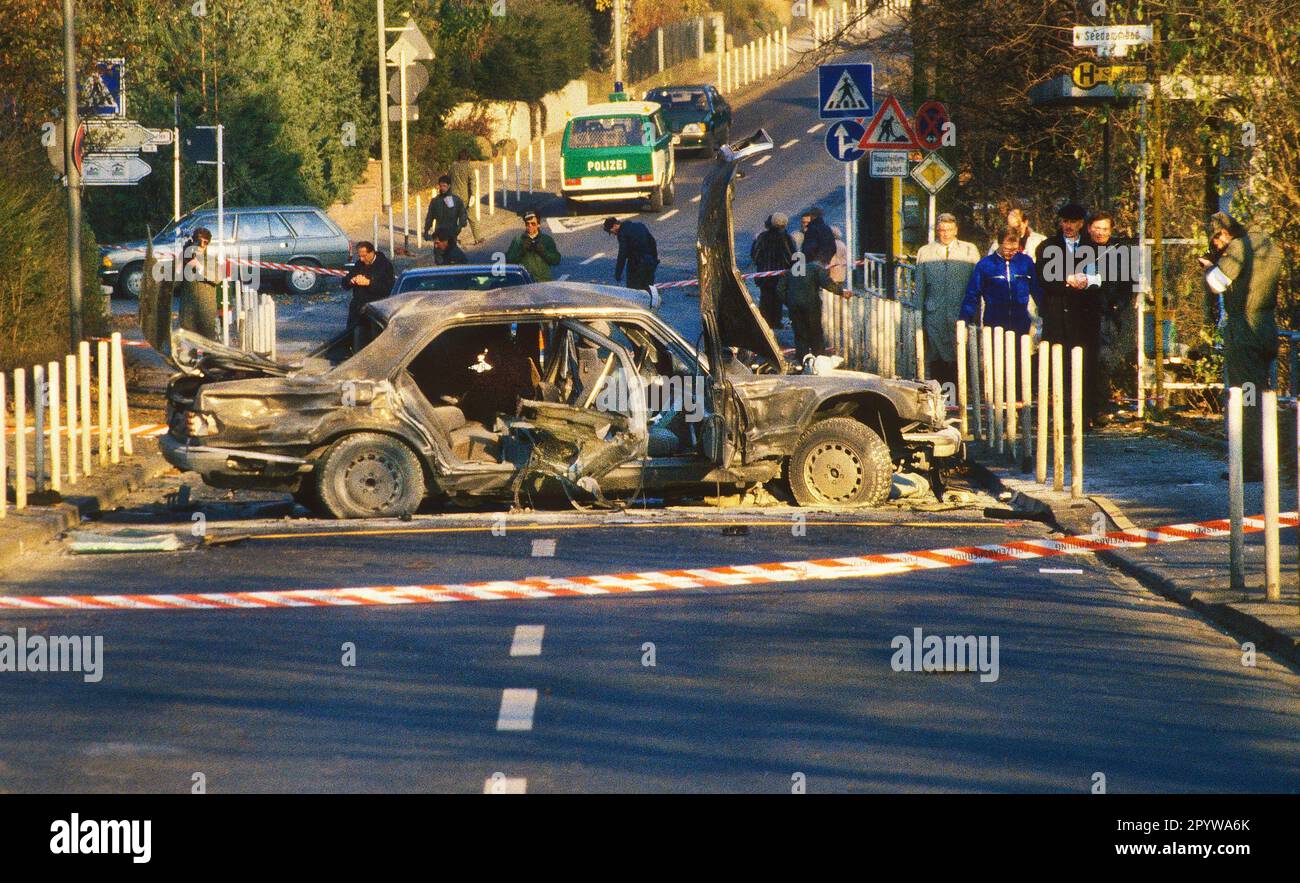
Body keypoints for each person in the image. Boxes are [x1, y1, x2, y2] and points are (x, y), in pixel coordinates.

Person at [1200, 211, 1284, 479]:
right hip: (1266, 329)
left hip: (1244, 333)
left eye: (1216, 239)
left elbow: (1217, 284)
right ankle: (1267, 460)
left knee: (1246, 399)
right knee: (1261, 398)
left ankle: (1250, 466)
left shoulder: (1238, 246)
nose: (1216, 245)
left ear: (1224, 233)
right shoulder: (1269, 246)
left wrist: (1210, 267)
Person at [1036, 203, 1092, 422]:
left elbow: (1098, 277)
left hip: (1082, 315)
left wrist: (1086, 281)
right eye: (1065, 221)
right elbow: (1044, 277)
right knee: (1057, 364)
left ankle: (1082, 414)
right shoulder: (1046, 246)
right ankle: (1058, 413)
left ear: (1081, 224)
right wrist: (1067, 281)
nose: (1068, 226)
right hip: (1057, 313)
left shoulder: (1091, 246)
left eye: (1073, 222)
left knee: (1082, 365)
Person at [1082, 211, 1135, 425]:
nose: (1101, 232)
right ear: (1089, 228)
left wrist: (1117, 306)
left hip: (1109, 315)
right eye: (1097, 228)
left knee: (1103, 361)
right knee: (1083, 361)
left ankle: (1100, 409)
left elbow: (1127, 285)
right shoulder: (1079, 249)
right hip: (1084, 313)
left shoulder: (1119, 251)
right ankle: (1083, 411)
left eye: (1105, 229)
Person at [915, 213, 981, 385]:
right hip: (934, 315)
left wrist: (976, 314)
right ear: (937, 230)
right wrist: (918, 317)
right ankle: (943, 401)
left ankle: (960, 400)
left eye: (949, 230)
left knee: (960, 356)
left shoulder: (969, 250)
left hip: (961, 314)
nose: (945, 234)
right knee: (937, 360)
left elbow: (977, 284)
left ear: (956, 230)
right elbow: (920, 289)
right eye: (942, 230)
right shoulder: (925, 252)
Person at [960, 225, 1041, 337]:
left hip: (1021, 322)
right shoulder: (985, 265)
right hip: (994, 322)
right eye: (1007, 249)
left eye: (1015, 249)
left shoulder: (1026, 262)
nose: (1011, 253)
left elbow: (1037, 290)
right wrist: (965, 320)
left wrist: (1046, 314)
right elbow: (972, 295)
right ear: (999, 243)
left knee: (1020, 354)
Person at [776, 255, 849, 360]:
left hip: (795, 307)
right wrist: (841, 292)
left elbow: (779, 289)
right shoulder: (815, 268)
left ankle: (802, 360)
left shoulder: (789, 272)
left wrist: (789, 302)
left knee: (800, 334)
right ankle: (819, 358)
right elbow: (827, 283)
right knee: (816, 333)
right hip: (812, 306)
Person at [749, 213, 796, 330]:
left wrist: (761, 265)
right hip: (781, 276)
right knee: (778, 300)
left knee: (765, 299)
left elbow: (755, 255)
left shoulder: (762, 237)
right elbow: (792, 256)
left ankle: (765, 323)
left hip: (764, 275)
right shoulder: (787, 238)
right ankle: (776, 321)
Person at [177, 227, 219, 340]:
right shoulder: (185, 257)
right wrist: (181, 261)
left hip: (206, 311)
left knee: (209, 346)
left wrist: (198, 266)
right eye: (199, 241)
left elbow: (216, 278)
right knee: (188, 349)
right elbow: (175, 283)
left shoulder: (211, 259)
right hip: (188, 310)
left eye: (205, 242)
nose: (202, 245)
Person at [342, 241, 395, 329]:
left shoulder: (384, 265)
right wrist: (351, 281)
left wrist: (369, 283)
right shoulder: (359, 264)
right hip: (357, 309)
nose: (362, 259)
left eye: (364, 256)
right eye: (360, 256)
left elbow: (387, 288)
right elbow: (345, 282)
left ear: (372, 253)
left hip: (376, 309)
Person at [604, 217, 659, 290]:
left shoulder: (622, 233)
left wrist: (618, 274)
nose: (613, 234)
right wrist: (654, 260)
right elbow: (652, 242)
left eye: (611, 231)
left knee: (634, 291)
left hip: (637, 265)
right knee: (649, 289)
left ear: (615, 226)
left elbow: (622, 255)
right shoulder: (640, 225)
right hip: (649, 262)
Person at [505, 211, 561, 281]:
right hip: (525, 282)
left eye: (533, 224)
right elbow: (509, 260)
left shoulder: (546, 240)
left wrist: (543, 251)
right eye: (527, 224)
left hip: (543, 281)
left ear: (538, 225)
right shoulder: (518, 240)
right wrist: (522, 250)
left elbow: (556, 260)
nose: (530, 226)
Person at [422, 174, 468, 247]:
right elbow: (430, 216)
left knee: (451, 254)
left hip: (451, 233)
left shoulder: (456, 200)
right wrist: (426, 230)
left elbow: (463, 214)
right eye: (441, 186)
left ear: (449, 186)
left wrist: (460, 226)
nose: (442, 188)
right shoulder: (435, 201)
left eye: (444, 186)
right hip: (439, 233)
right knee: (439, 255)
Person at [450, 157, 482, 244]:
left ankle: (453, 239)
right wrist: (473, 195)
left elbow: (449, 180)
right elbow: (472, 182)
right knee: (472, 217)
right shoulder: (468, 167)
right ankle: (477, 237)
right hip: (466, 196)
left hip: (454, 196)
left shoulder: (453, 166)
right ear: (468, 158)